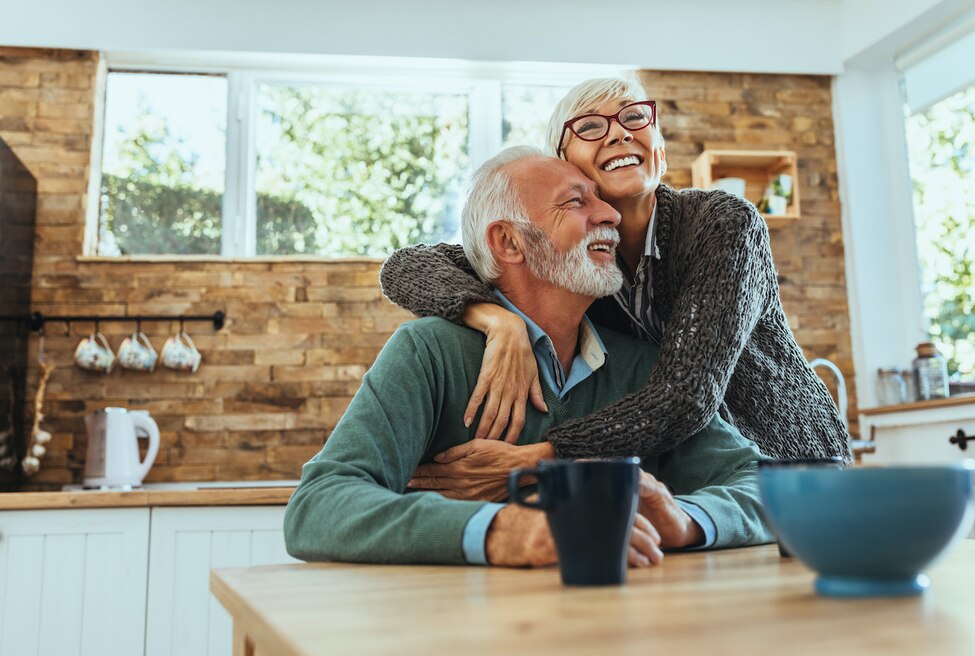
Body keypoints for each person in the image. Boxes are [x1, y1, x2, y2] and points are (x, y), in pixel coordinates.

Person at [284, 147, 773, 567]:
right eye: (576, 202)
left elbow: (763, 487)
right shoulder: (429, 352)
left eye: (600, 200)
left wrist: (685, 520)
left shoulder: (643, 367)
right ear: (509, 242)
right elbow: (318, 506)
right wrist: (504, 531)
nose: (610, 215)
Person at [379, 77, 850, 500]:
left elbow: (686, 395)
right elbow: (406, 266)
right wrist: (496, 319)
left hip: (788, 463)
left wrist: (538, 457)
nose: (620, 132)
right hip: (689, 483)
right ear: (565, 166)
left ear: (659, 151)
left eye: (633, 117)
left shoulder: (723, 224)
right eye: (589, 126)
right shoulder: (572, 260)